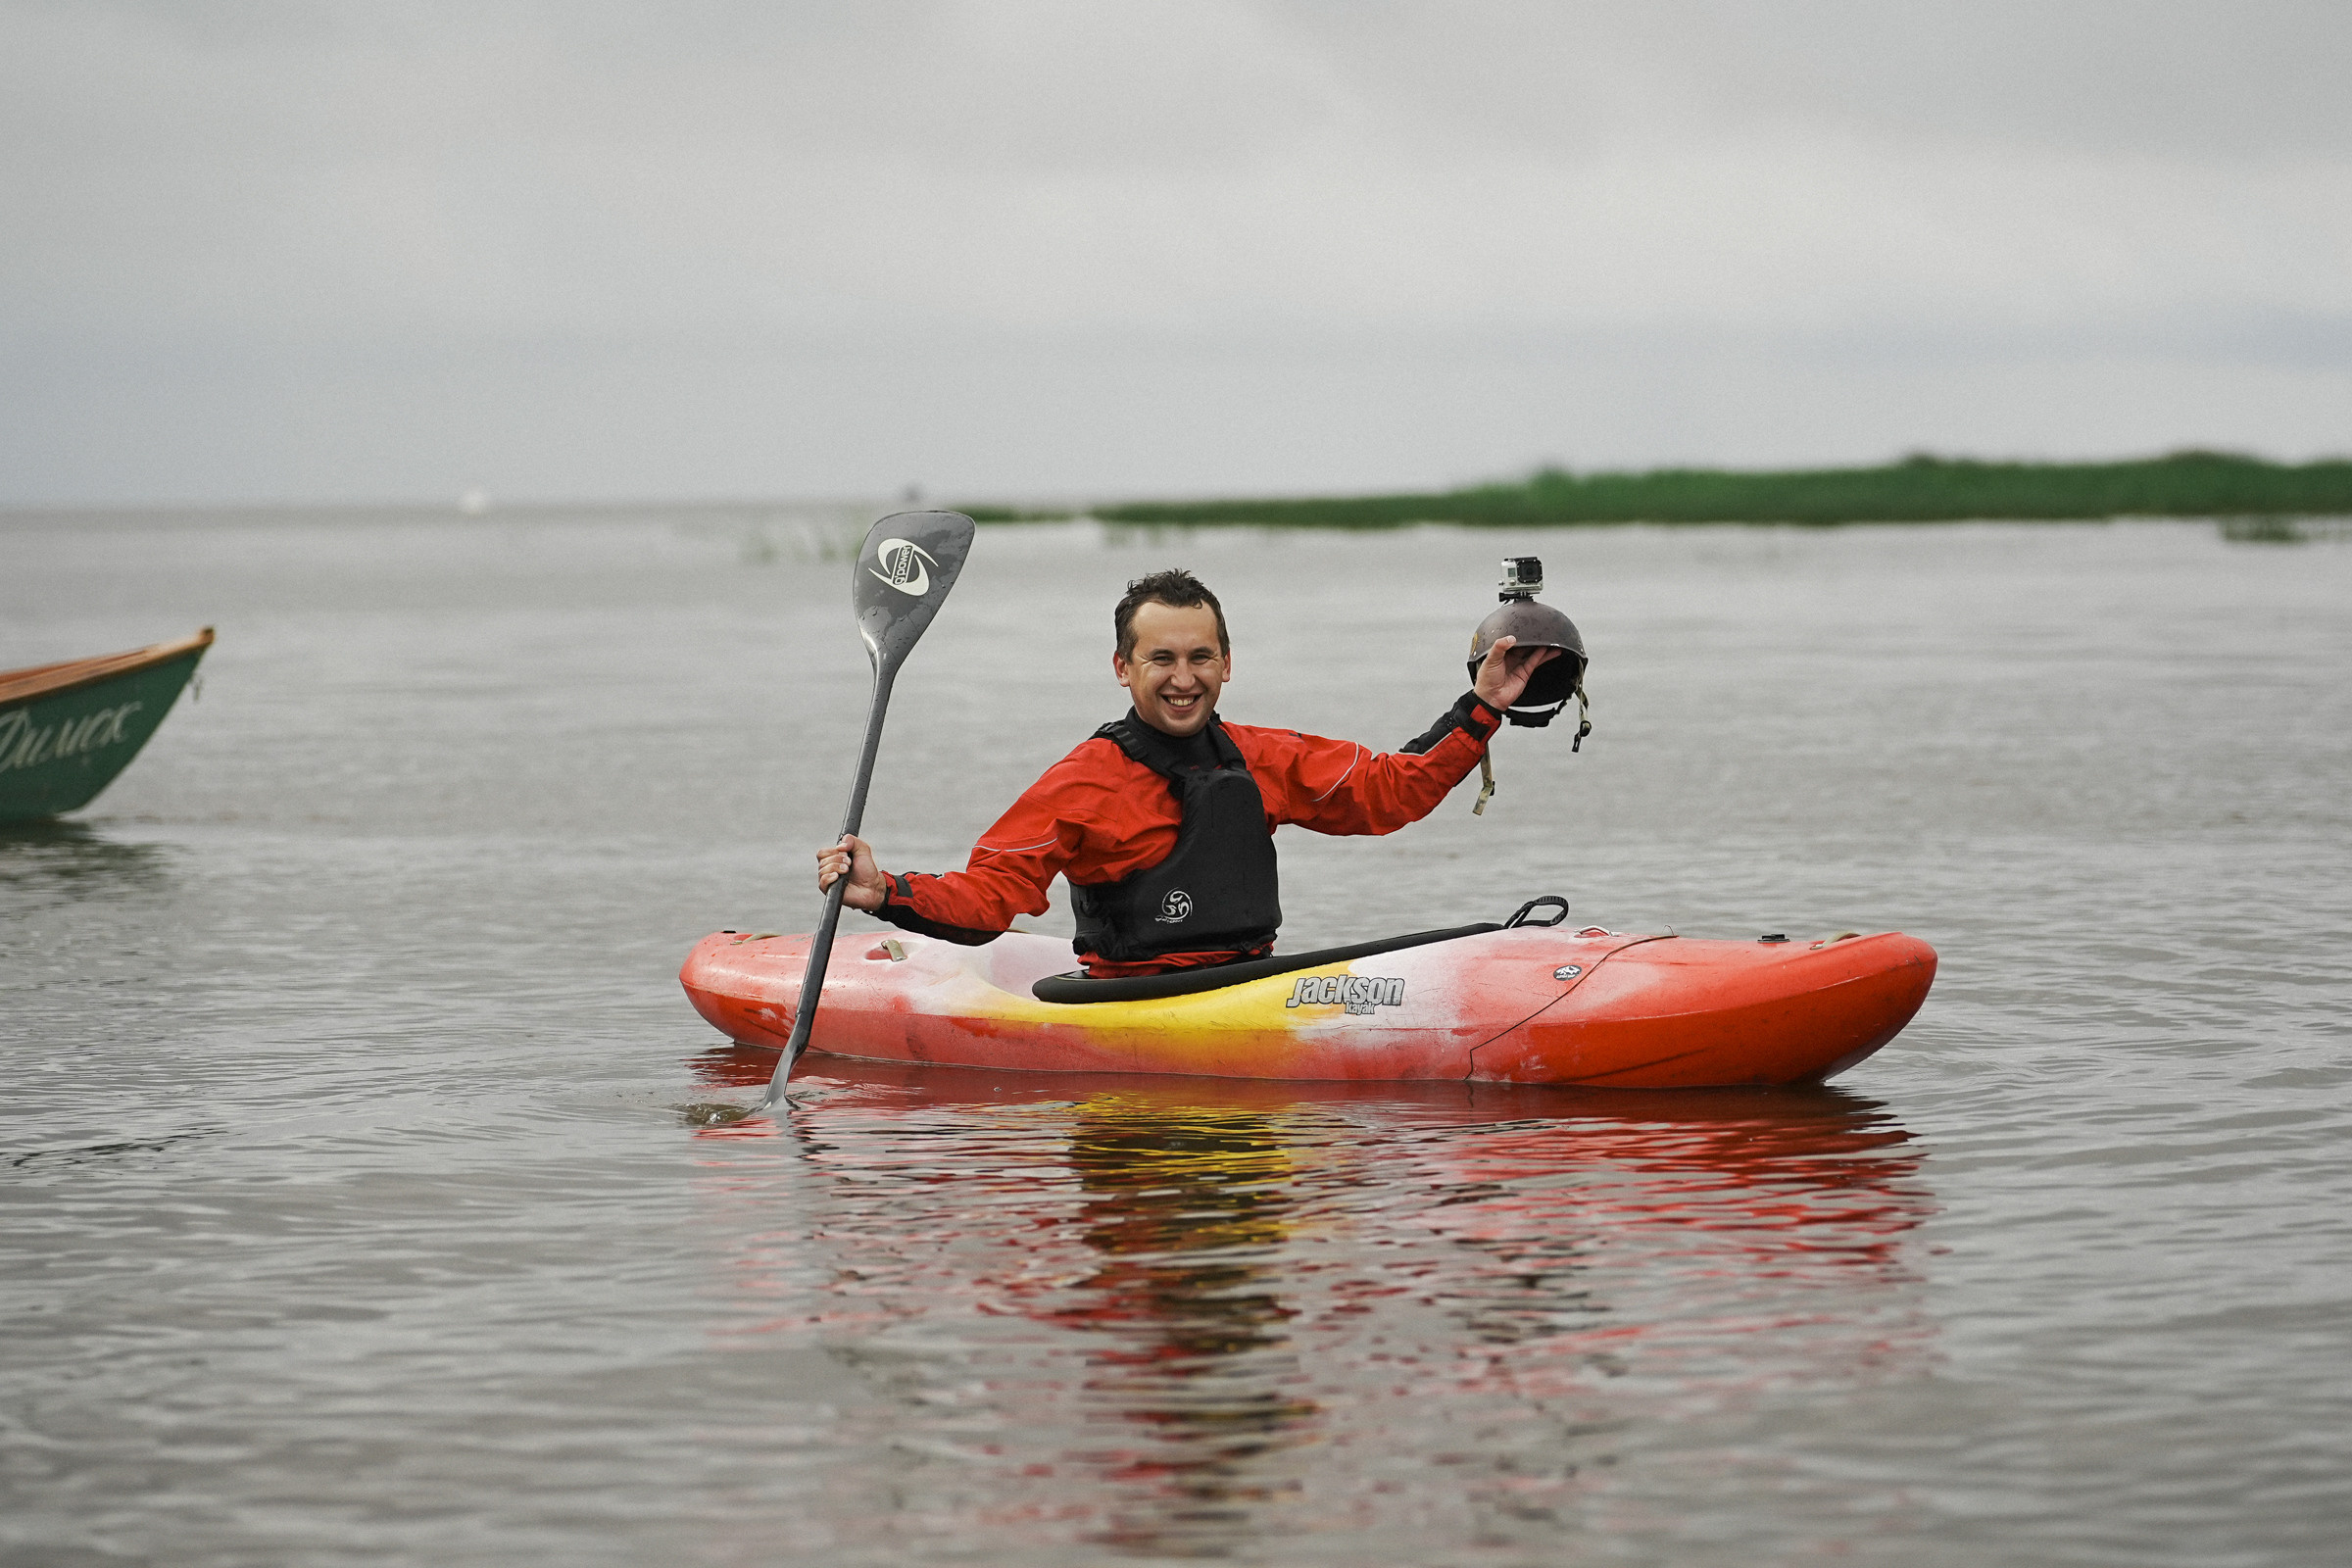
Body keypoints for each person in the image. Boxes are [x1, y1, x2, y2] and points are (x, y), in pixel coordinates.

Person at [815, 567, 1558, 977]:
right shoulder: (1083, 782)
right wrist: (887, 892)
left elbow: (1389, 793)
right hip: (1134, 1003)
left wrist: (1482, 706)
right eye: (1161, 659)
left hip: (1246, 980)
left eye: (1200, 657)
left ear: (1226, 664)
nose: (1183, 678)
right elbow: (992, 897)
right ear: (1122, 668)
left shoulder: (1264, 757)